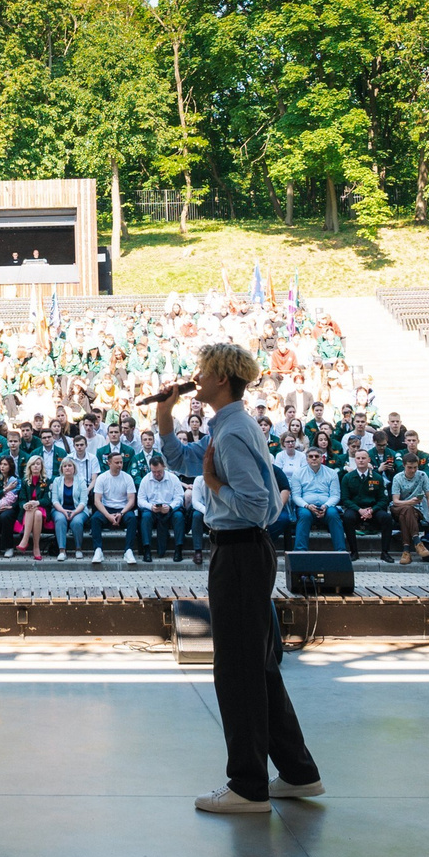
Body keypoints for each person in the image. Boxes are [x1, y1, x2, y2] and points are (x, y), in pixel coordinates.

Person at [163, 341, 322, 816]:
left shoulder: (231, 432)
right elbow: (185, 462)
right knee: (259, 667)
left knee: (237, 670)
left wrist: (214, 487)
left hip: (238, 555)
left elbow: (259, 507)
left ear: (221, 378)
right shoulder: (231, 425)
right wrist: (164, 417)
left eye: (203, 371)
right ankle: (297, 772)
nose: (196, 376)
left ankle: (248, 785)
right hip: (245, 555)